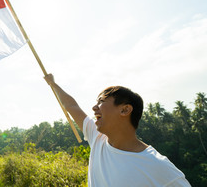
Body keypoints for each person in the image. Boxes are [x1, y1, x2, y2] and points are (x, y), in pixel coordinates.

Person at [44, 74, 191, 187]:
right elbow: (71, 106)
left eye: (101, 102)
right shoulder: (97, 137)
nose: (94, 107)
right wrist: (53, 83)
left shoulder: (157, 166)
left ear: (125, 110)